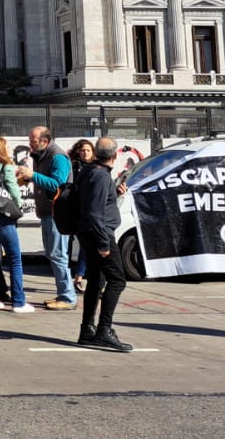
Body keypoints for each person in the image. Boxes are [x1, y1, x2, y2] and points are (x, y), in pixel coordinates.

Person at [77, 138, 132, 352]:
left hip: (89, 233)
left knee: (96, 280)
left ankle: (87, 329)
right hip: (100, 234)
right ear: (115, 155)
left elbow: (96, 203)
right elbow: (94, 212)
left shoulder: (91, 171)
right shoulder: (100, 176)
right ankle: (104, 330)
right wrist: (103, 243)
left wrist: (114, 193)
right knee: (117, 280)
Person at [16, 126, 77, 311]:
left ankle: (68, 297)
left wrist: (32, 176)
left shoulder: (57, 157)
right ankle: (63, 293)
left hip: (58, 213)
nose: (30, 144)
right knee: (53, 254)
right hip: (48, 212)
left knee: (58, 254)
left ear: (45, 140)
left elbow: (58, 183)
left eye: (33, 141)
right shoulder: (42, 156)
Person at [0, 137, 32, 313]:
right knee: (15, 259)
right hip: (3, 217)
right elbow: (13, 190)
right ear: (2, 149)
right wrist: (18, 206)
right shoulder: (6, 166)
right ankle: (19, 301)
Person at [67, 139, 95, 293]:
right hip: (75, 211)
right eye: (83, 150)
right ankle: (71, 278)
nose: (85, 153)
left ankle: (79, 277)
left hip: (89, 211)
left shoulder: (96, 167)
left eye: (88, 150)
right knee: (71, 245)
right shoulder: (74, 167)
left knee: (86, 245)